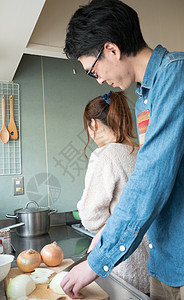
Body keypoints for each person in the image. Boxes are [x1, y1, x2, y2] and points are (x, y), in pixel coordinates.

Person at [61, 1, 184, 299]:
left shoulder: (176, 77)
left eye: (93, 70)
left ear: (112, 50)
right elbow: (148, 175)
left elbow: (150, 181)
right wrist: (110, 231)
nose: (100, 79)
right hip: (163, 258)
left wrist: (96, 262)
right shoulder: (144, 100)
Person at [78, 90, 149, 294]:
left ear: (95, 124)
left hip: (122, 266)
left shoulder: (105, 155)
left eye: (88, 127)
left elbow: (90, 217)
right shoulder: (140, 151)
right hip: (151, 266)